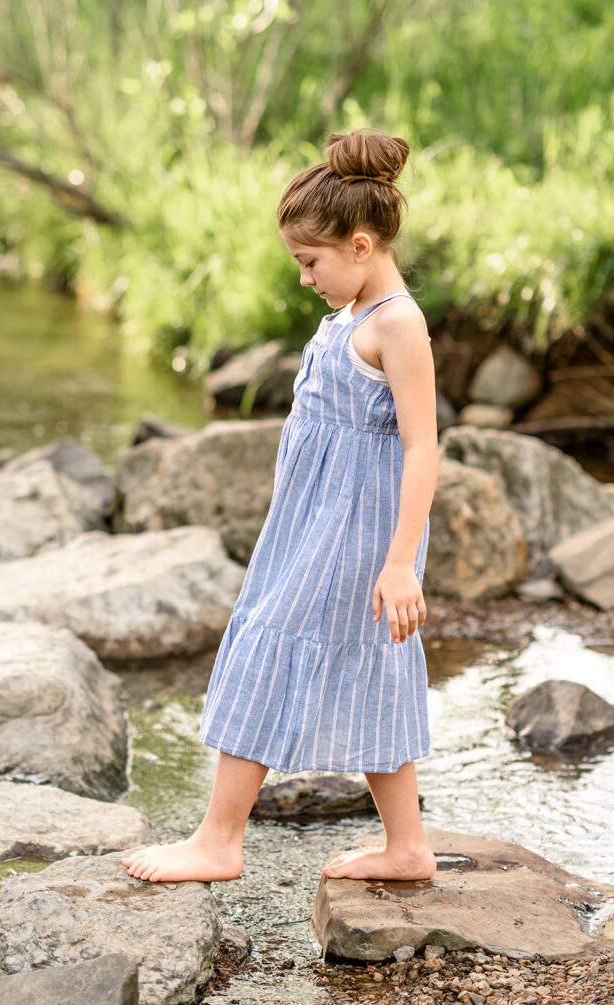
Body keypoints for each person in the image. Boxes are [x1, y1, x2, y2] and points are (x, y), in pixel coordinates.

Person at [122, 128, 439, 885]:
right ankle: (408, 848)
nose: (304, 279)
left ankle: (219, 840)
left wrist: (400, 564)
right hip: (312, 523)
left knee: (270, 640)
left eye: (310, 263)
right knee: (370, 667)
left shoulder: (397, 323)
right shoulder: (350, 312)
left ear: (361, 246)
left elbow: (424, 447)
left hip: (357, 534)